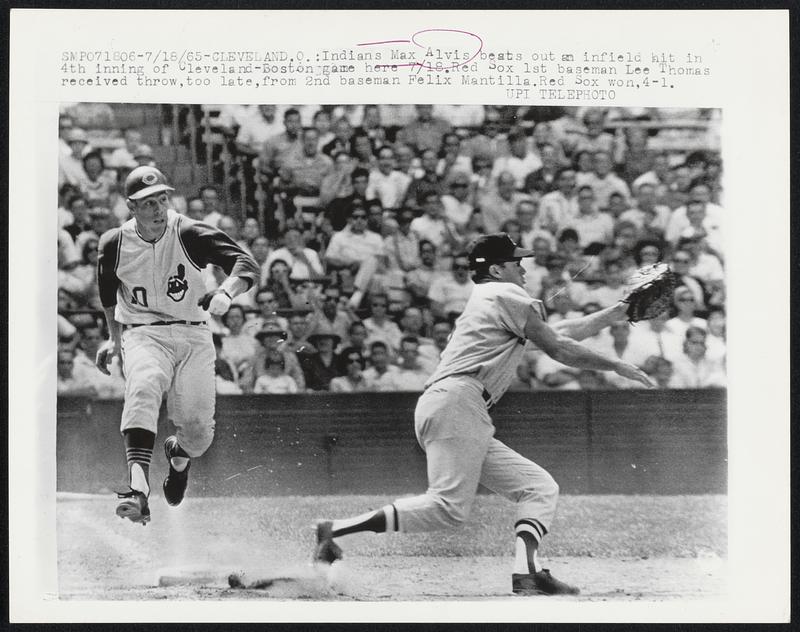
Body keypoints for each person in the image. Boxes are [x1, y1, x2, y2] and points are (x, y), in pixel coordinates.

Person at [313, 232, 652, 595]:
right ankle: (334, 531)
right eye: (515, 262)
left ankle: (527, 573)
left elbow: (556, 333)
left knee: (537, 488)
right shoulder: (505, 294)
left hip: (457, 404)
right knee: (447, 508)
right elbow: (558, 348)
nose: (523, 268)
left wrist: (617, 312)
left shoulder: (493, 299)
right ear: (495, 269)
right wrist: (615, 364)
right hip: (458, 401)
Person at [95, 166, 259, 525]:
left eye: (161, 200)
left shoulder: (187, 231)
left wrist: (227, 291)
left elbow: (245, 263)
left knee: (199, 434)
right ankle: (138, 489)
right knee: (144, 385)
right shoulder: (114, 243)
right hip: (143, 332)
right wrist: (112, 337)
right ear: (130, 206)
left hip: (193, 334)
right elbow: (108, 292)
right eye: (146, 203)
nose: (157, 209)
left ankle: (179, 456)